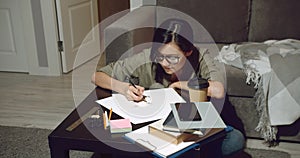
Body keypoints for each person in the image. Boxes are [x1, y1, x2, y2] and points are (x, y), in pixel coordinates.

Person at [92, 18, 245, 157]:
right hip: (159, 128)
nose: (164, 63)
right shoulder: (149, 57)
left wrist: (177, 85)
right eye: (160, 56)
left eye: (173, 57)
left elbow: (218, 90)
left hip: (194, 128)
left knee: (234, 141)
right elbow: (97, 76)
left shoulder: (201, 56)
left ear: (188, 51)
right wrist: (124, 88)